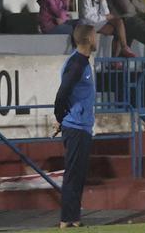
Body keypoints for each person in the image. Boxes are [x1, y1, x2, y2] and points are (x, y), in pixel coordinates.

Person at [54, 24, 96, 230]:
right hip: (76, 126)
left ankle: (74, 217)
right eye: (95, 35)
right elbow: (62, 94)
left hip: (82, 126)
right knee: (73, 173)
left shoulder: (81, 62)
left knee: (78, 173)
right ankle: (66, 219)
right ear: (88, 39)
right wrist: (60, 117)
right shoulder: (77, 64)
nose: (97, 39)